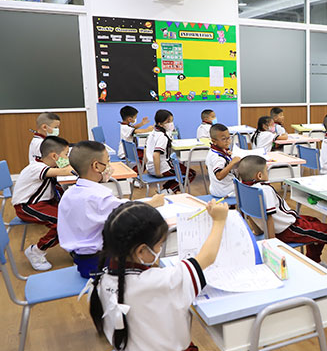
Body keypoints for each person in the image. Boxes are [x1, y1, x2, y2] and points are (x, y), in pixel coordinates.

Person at [88, 200, 248, 351]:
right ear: (141, 250)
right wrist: (219, 220)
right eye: (159, 244)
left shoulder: (103, 277)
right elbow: (207, 257)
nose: (160, 249)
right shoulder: (158, 282)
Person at [59, 141, 164, 278]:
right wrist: (153, 202)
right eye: (107, 162)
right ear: (96, 166)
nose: (109, 166)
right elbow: (129, 210)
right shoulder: (98, 197)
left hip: (81, 258)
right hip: (99, 262)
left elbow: (118, 206)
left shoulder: (69, 193)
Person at [238, 155, 327, 265]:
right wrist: (273, 245)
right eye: (266, 171)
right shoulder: (264, 190)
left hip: (285, 225)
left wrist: (259, 230)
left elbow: (249, 214)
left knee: (315, 221)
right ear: (259, 175)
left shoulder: (245, 189)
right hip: (288, 229)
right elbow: (269, 218)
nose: (267, 173)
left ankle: (314, 261)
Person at [12, 136, 73, 270]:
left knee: (72, 214)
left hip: (43, 202)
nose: (67, 158)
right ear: (54, 156)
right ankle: (36, 251)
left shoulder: (46, 165)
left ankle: (74, 246)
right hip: (27, 206)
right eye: (66, 155)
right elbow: (66, 171)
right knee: (62, 223)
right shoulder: (36, 168)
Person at [145, 109, 195, 193]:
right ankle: (168, 191)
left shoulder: (152, 133)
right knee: (190, 174)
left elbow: (145, 150)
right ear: (160, 124)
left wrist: (147, 167)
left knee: (180, 170)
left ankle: (166, 190)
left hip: (150, 167)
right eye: (168, 121)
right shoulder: (162, 137)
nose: (171, 123)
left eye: (171, 120)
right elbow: (155, 155)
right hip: (161, 168)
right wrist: (158, 173)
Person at [206, 123, 242, 197]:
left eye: (228, 138)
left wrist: (228, 156)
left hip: (217, 189)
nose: (228, 141)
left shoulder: (214, 151)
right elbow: (219, 176)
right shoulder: (217, 157)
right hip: (225, 191)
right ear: (214, 141)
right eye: (223, 139)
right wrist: (232, 163)